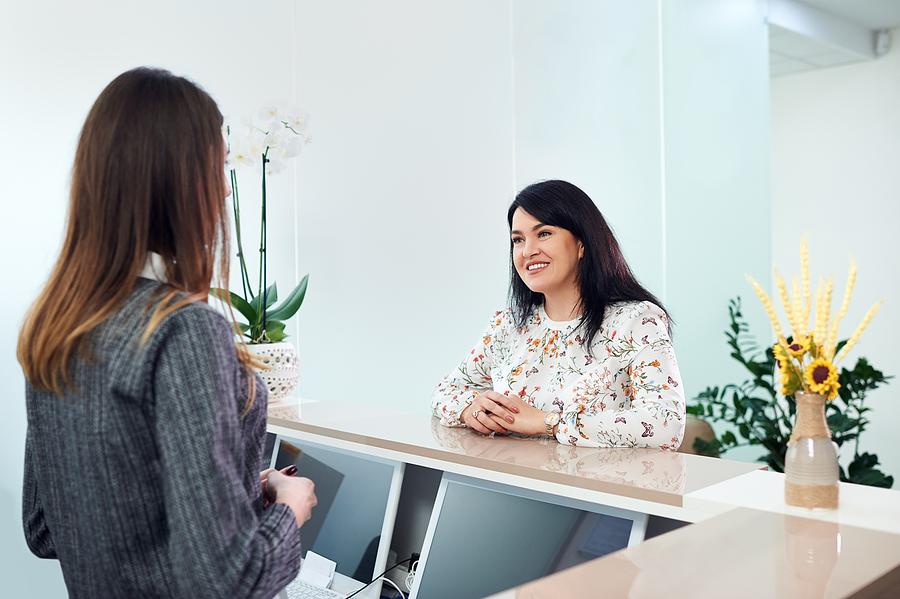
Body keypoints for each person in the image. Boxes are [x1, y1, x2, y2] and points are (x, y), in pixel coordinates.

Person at [17, 67, 317, 598]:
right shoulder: (184, 331)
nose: (225, 187)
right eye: (217, 166)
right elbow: (226, 580)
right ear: (178, 179)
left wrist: (246, 492)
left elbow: (45, 528)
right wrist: (289, 510)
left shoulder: (58, 324)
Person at [432, 180, 685, 449]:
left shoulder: (636, 321)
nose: (528, 251)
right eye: (518, 240)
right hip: (509, 481)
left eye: (543, 234)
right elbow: (445, 392)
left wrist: (547, 422)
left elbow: (666, 425)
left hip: (592, 488)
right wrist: (472, 409)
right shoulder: (508, 323)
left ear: (582, 244)